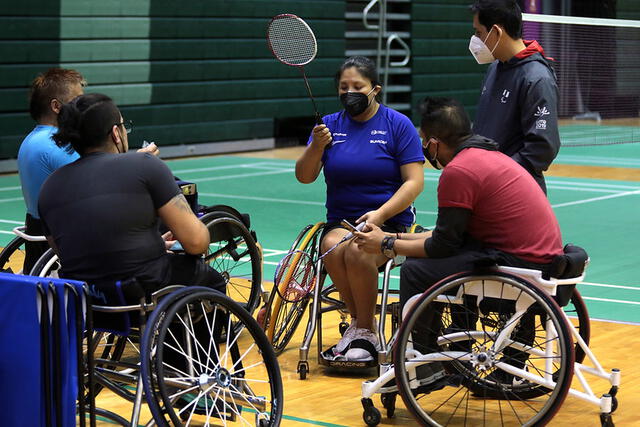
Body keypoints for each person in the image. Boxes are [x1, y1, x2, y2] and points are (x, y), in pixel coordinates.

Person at [354, 96, 563, 384]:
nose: (424, 147)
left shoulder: (459, 171)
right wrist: (393, 236)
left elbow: (442, 245)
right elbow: (450, 235)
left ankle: (426, 365)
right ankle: (449, 352)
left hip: (517, 263)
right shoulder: (487, 155)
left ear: (435, 142)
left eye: (424, 140)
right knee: (423, 257)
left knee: (416, 271)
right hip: (541, 257)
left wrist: (386, 246)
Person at [295, 56, 425, 362]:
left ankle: (362, 328)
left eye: (357, 86)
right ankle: (361, 326)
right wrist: (316, 147)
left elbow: (414, 183)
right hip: (341, 221)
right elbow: (304, 176)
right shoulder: (328, 125)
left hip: (389, 222)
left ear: (375, 89)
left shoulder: (397, 125)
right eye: (344, 87)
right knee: (330, 244)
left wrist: (379, 215)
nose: (349, 92)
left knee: (357, 251)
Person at [38, 93, 222, 295]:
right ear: (116, 133)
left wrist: (150, 245)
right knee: (211, 280)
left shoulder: (49, 187)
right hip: (142, 290)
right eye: (124, 126)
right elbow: (196, 243)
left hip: (87, 298)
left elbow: (68, 252)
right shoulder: (145, 166)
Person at [17, 68, 158, 273]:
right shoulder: (55, 144)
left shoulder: (33, 139)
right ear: (57, 106)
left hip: (40, 231)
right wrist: (139, 162)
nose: (83, 107)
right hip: (68, 239)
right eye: (77, 101)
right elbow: (102, 181)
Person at [469, 0, 560, 193]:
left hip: (516, 191)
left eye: (479, 33)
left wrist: (497, 173)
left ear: (496, 32)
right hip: (485, 185)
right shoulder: (495, 68)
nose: (475, 39)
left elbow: (542, 149)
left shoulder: (537, 78)